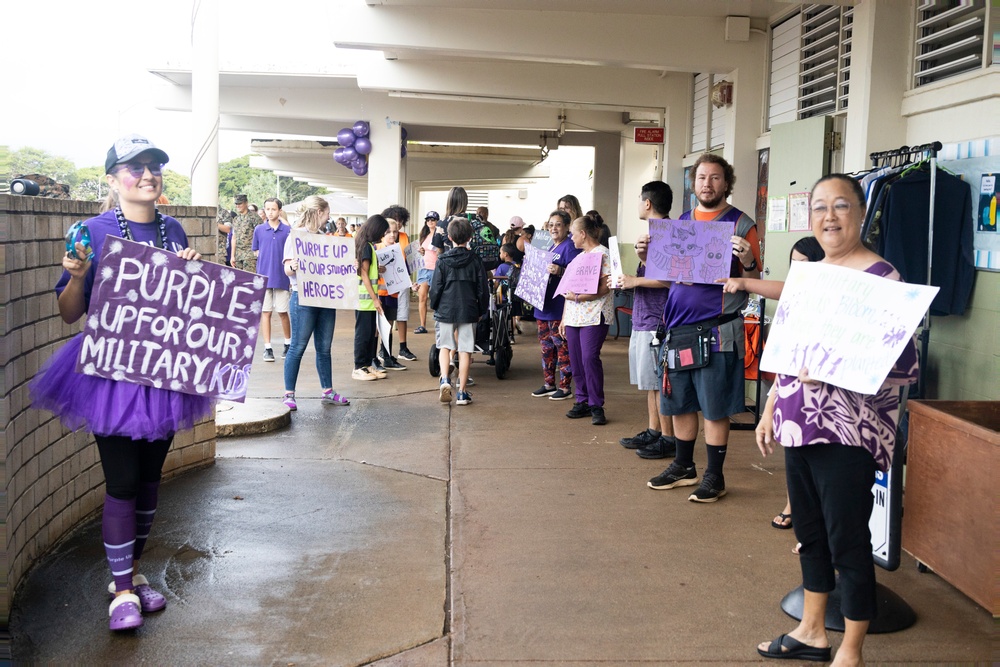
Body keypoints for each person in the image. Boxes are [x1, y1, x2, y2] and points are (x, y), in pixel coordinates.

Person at [29, 134, 213, 632]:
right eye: (135, 167)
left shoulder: (173, 230)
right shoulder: (89, 231)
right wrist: (76, 275)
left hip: (165, 374)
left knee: (150, 482)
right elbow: (69, 313)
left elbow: (185, 309)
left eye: (154, 166)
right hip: (110, 374)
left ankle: (129, 574)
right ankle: (123, 592)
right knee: (123, 481)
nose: (147, 175)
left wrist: (194, 276)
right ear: (112, 179)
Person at [755, 175, 918, 666]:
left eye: (841, 205)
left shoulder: (883, 279)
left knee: (848, 540)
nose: (829, 216)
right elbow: (788, 353)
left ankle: (851, 648)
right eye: (820, 207)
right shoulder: (809, 276)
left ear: (861, 213)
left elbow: (901, 364)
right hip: (797, 422)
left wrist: (833, 366)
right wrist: (770, 407)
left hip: (848, 433)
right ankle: (811, 632)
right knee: (809, 533)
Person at [639, 153, 761, 503]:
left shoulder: (741, 224)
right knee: (680, 401)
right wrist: (647, 257)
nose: (708, 184)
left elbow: (754, 279)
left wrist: (748, 260)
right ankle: (683, 466)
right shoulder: (681, 222)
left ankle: (715, 476)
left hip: (717, 330)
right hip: (677, 329)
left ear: (727, 183)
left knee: (714, 406)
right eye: (702, 177)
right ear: (693, 183)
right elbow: (666, 276)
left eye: (715, 177)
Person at [721, 235, 826, 529]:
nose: (798, 270)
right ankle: (796, 508)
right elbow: (783, 366)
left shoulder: (830, 301)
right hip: (793, 394)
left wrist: (743, 282)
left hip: (825, 401)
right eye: (794, 264)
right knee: (795, 456)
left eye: (805, 264)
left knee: (820, 460)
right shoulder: (794, 300)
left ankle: (815, 523)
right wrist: (768, 411)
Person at [615, 181, 676, 459]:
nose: (639, 204)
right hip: (645, 316)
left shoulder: (666, 233)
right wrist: (642, 259)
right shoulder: (654, 234)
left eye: (640, 199)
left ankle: (668, 437)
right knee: (651, 382)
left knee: (660, 382)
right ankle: (654, 430)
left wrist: (634, 280)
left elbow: (670, 279)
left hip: (658, 319)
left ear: (648, 203)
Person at [281, 196, 349, 410]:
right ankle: (289, 393)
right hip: (302, 297)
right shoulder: (295, 236)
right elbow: (287, 269)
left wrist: (349, 264)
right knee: (297, 346)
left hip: (325, 298)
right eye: (327, 213)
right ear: (319, 212)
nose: (329, 217)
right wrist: (293, 266)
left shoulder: (323, 238)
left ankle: (327, 390)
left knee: (324, 348)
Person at [429, 217, 490, 406]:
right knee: (465, 350)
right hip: (469, 310)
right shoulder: (475, 260)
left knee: (444, 346)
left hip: (446, 309)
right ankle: (462, 393)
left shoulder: (442, 260)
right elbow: (483, 289)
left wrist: (435, 305)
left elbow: (436, 287)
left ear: (449, 237)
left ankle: (445, 379)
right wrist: (481, 310)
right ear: (470, 237)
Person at [560, 215, 614, 425]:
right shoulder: (578, 258)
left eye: (573, 234)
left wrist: (579, 297)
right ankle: (582, 400)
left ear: (583, 234)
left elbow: (605, 287)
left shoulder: (603, 254)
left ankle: (596, 404)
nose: (571, 238)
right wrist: (564, 318)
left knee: (589, 358)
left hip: (594, 314)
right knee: (576, 360)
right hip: (574, 315)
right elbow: (567, 291)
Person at [531, 210, 579, 400]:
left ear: (567, 226)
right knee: (546, 348)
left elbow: (577, 274)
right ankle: (548, 383)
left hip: (559, 306)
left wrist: (560, 270)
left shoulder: (570, 247)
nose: (553, 228)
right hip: (542, 305)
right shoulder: (547, 245)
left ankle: (565, 387)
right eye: (551, 225)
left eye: (558, 224)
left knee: (562, 348)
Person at [253, 197, 292, 362]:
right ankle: (267, 347)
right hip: (264, 277)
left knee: (283, 312)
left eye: (273, 209)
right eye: (267, 209)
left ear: (280, 211)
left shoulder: (287, 230)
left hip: (282, 277)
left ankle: (288, 343)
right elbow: (256, 250)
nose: (270, 212)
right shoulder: (259, 229)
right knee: (266, 312)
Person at [353, 215, 390, 381]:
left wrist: (378, 269)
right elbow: (364, 273)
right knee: (363, 334)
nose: (383, 235)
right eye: (382, 231)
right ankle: (359, 366)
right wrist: (375, 298)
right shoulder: (366, 247)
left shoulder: (367, 245)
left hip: (368, 300)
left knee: (369, 334)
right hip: (365, 301)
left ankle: (367, 365)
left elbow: (368, 271)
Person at [381, 205, 417, 362]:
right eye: (396, 220)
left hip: (402, 279)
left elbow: (409, 257)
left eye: (401, 220)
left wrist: (418, 254)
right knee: (386, 318)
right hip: (386, 283)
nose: (399, 223)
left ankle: (403, 347)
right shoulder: (382, 238)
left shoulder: (404, 237)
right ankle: (384, 350)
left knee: (402, 314)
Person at [374, 219, 408, 371]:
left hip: (393, 293)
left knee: (388, 325)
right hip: (379, 294)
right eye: (388, 232)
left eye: (395, 232)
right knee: (377, 328)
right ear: (382, 233)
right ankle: (373, 358)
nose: (392, 235)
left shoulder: (398, 249)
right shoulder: (376, 248)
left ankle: (387, 356)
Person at [414, 210, 440, 334]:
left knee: (436, 298)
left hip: (436, 268)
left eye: (433, 219)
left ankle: (439, 324)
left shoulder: (440, 234)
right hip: (424, 268)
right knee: (422, 297)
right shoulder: (424, 235)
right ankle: (422, 325)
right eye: (428, 219)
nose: (430, 221)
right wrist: (421, 251)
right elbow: (422, 251)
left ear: (437, 221)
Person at [229, 194, 259, 273]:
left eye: (240, 203)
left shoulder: (255, 218)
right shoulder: (236, 219)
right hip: (238, 256)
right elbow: (234, 238)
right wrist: (232, 256)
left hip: (250, 256)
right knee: (239, 279)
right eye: (236, 204)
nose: (238, 206)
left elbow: (260, 236)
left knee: (249, 278)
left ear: (246, 203)